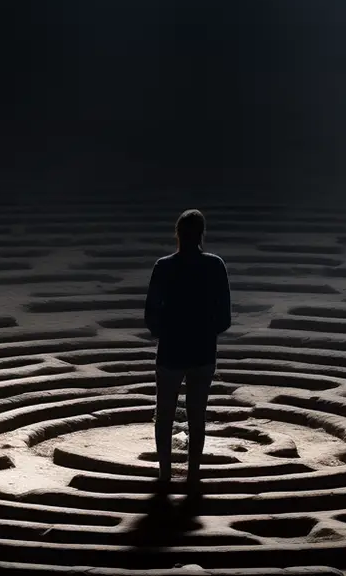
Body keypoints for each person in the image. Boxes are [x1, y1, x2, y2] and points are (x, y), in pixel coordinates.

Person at [143, 209, 232, 489]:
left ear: (178, 234)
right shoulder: (215, 266)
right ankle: (193, 473)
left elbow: (150, 314)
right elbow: (225, 317)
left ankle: (165, 474)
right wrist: (204, 333)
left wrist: (168, 333)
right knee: (196, 414)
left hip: (170, 352)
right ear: (201, 235)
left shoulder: (164, 266)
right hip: (203, 353)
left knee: (165, 414)